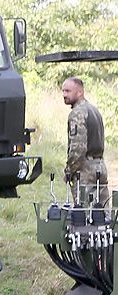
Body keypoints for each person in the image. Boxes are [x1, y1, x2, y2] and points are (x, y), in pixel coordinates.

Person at [62, 76, 109, 206]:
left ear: (80, 92)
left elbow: (78, 148)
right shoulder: (94, 110)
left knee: (83, 215)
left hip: (85, 170)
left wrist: (69, 170)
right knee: (103, 214)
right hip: (100, 166)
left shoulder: (78, 113)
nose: (64, 94)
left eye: (68, 91)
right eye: (63, 91)